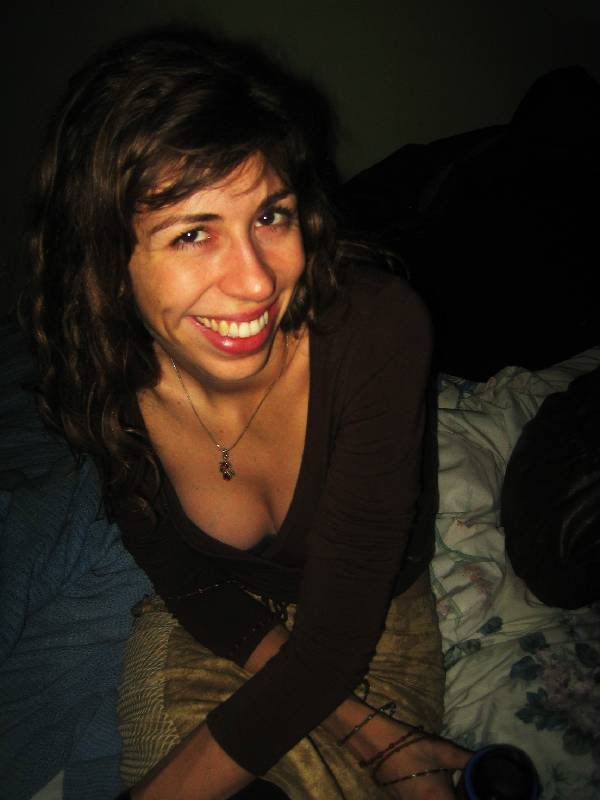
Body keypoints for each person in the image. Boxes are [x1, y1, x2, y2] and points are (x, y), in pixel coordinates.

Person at [24, 27, 470, 799]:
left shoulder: (378, 329)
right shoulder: (98, 375)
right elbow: (189, 583)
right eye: (193, 233)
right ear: (105, 264)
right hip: (220, 622)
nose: (258, 282)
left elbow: (335, 641)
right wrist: (375, 732)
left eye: (271, 216)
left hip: (375, 615)